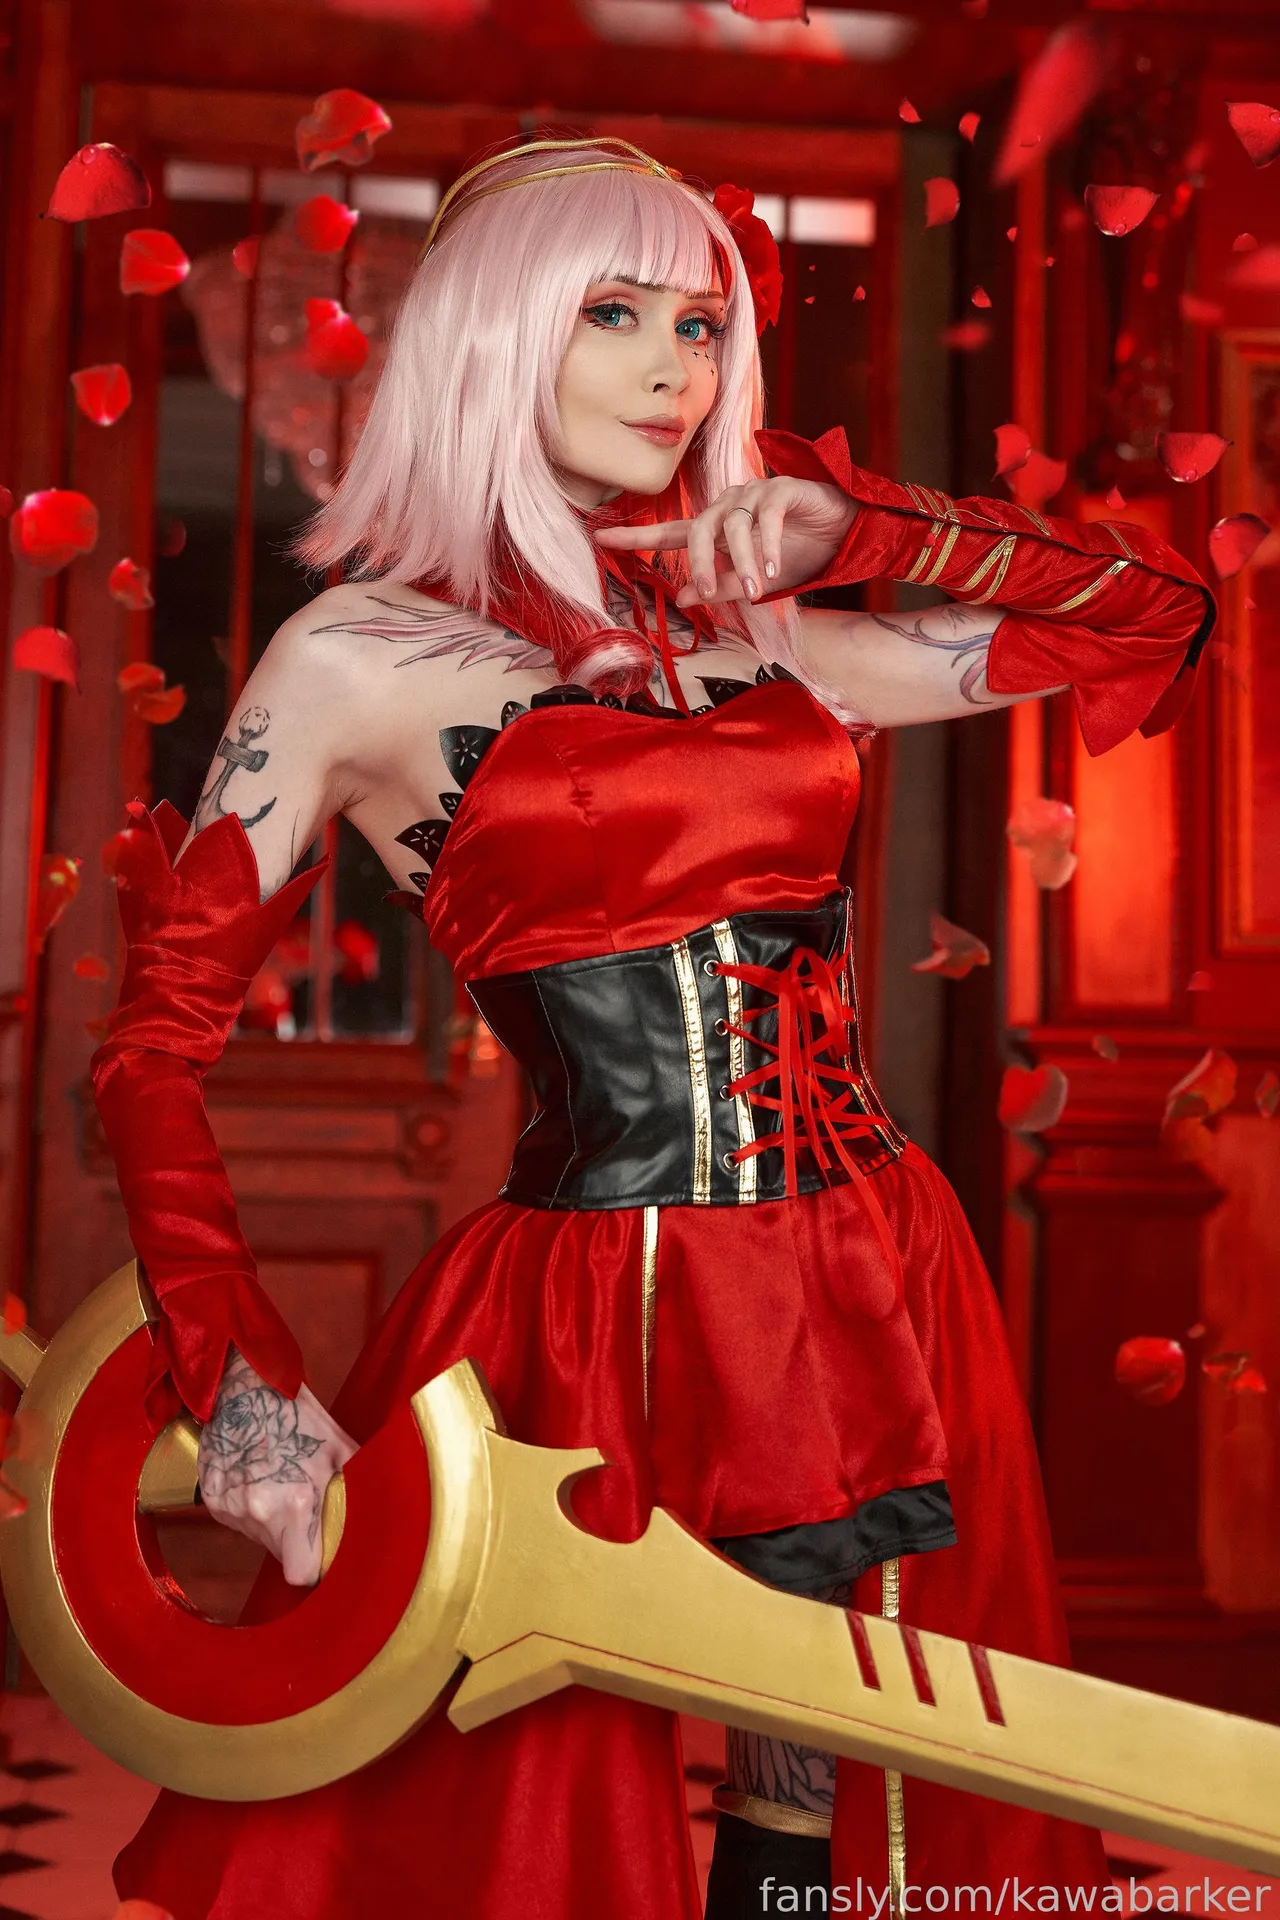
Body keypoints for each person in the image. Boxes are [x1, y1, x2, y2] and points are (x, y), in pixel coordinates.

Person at [91, 137, 1214, 1919]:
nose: (673, 368)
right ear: (492, 331)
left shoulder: (763, 631)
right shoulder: (354, 660)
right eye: (612, 314)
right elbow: (150, 1048)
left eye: (700, 325)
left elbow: (1160, 616)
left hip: (862, 1264)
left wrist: (866, 533)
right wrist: (240, 1375)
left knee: (815, 1766)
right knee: (531, 1801)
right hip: (589, 1296)